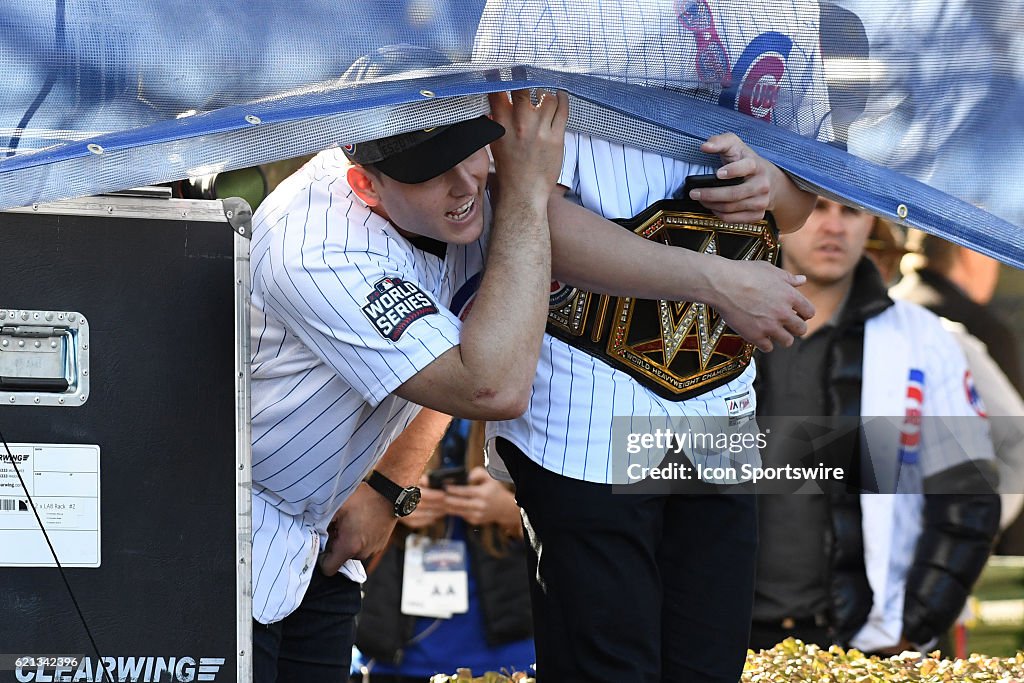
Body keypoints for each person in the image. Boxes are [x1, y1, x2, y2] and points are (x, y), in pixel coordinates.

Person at [473, 2, 830, 680]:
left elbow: (802, 195)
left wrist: (773, 182)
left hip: (718, 398)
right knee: (609, 666)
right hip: (586, 395)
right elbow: (524, 212)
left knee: (708, 664)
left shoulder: (783, 6)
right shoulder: (535, 11)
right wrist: (719, 282)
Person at [248, 45, 568, 682]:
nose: (465, 182)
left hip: (323, 540)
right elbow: (488, 386)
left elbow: (451, 348)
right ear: (365, 183)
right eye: (430, 170)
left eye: (471, 149)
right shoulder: (312, 247)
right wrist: (527, 198)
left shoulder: (449, 201)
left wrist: (389, 485)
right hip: (228, 543)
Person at [749, 197, 1001, 655]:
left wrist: (913, 627)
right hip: (727, 637)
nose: (834, 226)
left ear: (871, 220)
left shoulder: (924, 339)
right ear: (781, 210)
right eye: (817, 206)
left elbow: (968, 497)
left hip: (867, 643)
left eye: (851, 210)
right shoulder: (722, 328)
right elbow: (664, 482)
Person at [351, 420, 534, 682]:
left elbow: (588, 519)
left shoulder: (521, 409)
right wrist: (389, 498)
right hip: (392, 656)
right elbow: (330, 509)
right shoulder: (394, 404)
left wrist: (512, 511)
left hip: (508, 657)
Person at [891, 231, 1024, 554]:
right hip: (962, 543)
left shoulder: (884, 312)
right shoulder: (979, 328)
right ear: (971, 253)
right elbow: (1016, 439)